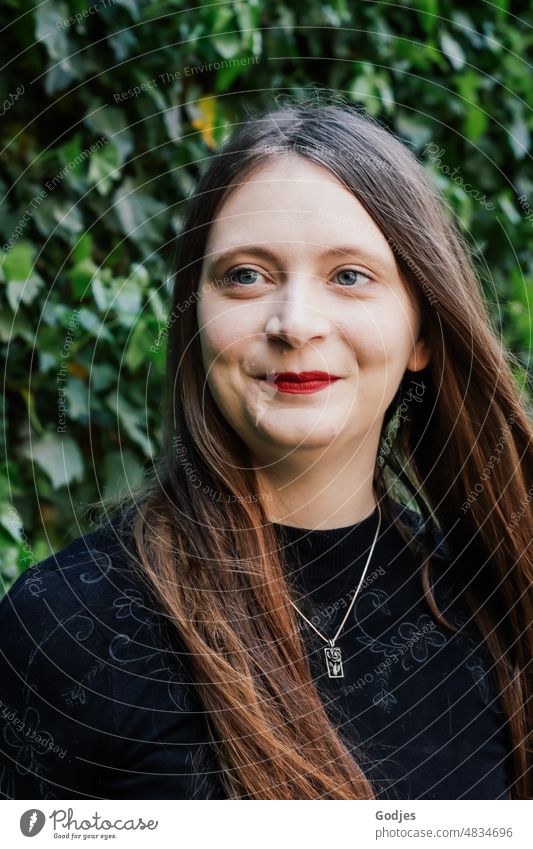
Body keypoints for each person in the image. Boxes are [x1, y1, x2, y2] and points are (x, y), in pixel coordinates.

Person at [1, 97, 531, 801]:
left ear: (424, 332)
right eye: (246, 275)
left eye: (349, 275)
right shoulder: (64, 623)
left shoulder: (498, 608)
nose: (295, 323)